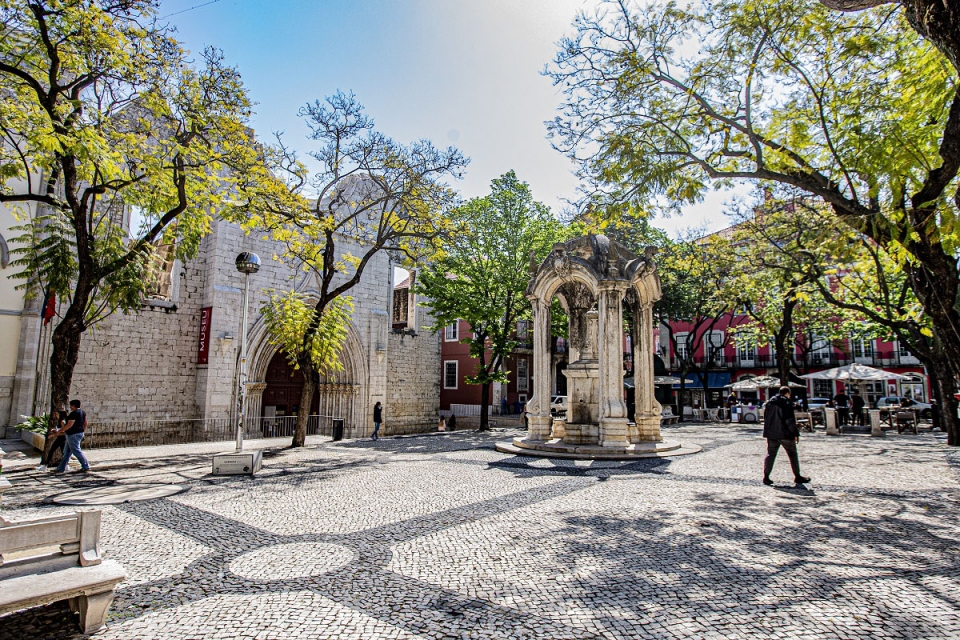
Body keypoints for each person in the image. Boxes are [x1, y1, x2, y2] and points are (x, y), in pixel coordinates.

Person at [762, 386, 810, 486]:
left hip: (771, 433)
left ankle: (766, 476)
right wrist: (795, 433)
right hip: (785, 433)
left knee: (771, 454)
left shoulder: (769, 403)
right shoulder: (787, 403)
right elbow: (789, 420)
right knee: (792, 454)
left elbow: (766, 418)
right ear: (787, 393)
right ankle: (797, 476)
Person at [53, 399, 89, 474]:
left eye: (71, 405)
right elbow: (85, 423)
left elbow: (69, 425)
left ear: (74, 405)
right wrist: (82, 431)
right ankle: (60, 468)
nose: (70, 407)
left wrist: (59, 431)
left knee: (76, 450)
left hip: (73, 434)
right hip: (77, 433)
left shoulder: (74, 413)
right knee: (67, 452)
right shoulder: (83, 412)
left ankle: (85, 465)